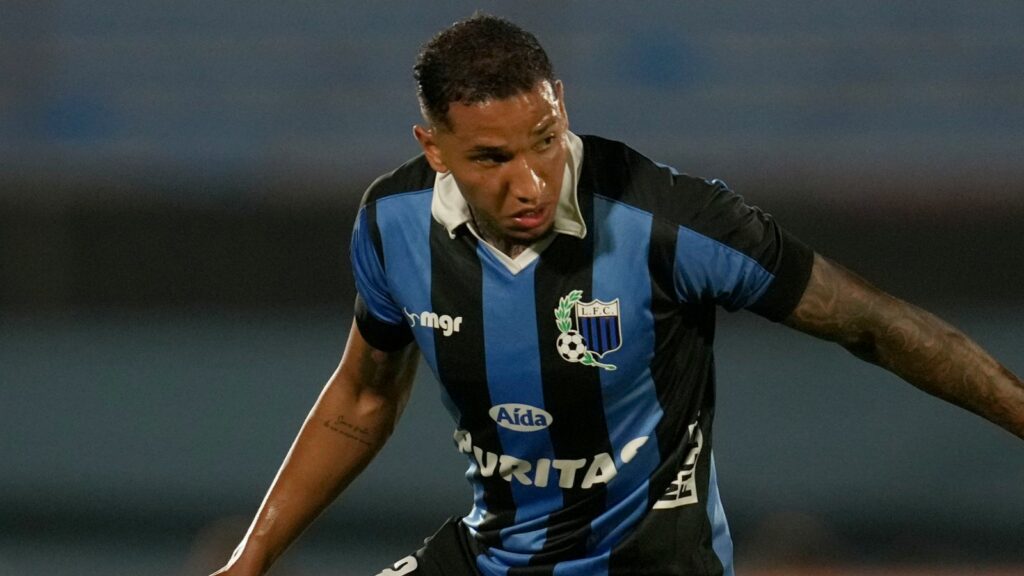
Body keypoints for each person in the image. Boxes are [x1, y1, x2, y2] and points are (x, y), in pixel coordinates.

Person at [212, 14, 1023, 576]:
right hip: (493, 552)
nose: (531, 182)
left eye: (545, 140)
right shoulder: (392, 224)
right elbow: (360, 398)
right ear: (434, 148)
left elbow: (871, 323)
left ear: (561, 103)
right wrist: (252, 557)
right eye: (494, 158)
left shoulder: (667, 221)